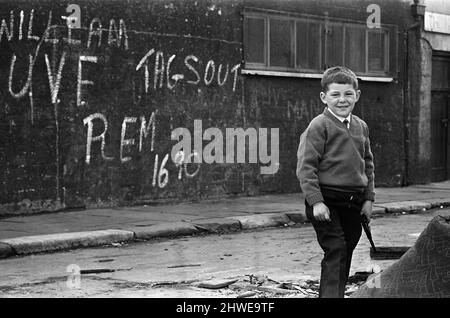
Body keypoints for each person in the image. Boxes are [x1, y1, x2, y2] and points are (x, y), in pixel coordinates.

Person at [296, 66, 375, 298]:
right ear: (324, 97)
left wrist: (368, 199)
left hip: (353, 202)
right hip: (325, 201)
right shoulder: (319, 125)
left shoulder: (361, 126)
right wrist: (316, 202)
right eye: (335, 95)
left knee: (346, 250)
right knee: (336, 248)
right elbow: (306, 167)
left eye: (348, 94)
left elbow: (368, 165)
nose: (342, 100)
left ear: (357, 95)